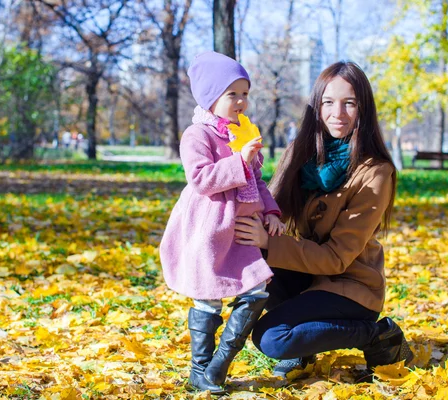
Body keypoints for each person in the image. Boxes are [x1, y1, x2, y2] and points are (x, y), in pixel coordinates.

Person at [234, 61, 414, 382]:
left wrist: (268, 242)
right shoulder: (298, 153)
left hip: (351, 287)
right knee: (252, 257)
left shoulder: (375, 172)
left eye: (350, 103)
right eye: (328, 102)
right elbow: (266, 212)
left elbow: (336, 258)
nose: (338, 113)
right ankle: (304, 346)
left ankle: (377, 335)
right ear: (316, 107)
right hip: (305, 276)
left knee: (272, 337)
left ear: (363, 109)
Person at [159, 51, 285, 393]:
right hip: (210, 228)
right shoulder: (197, 135)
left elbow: (257, 180)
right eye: (233, 94)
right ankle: (199, 371)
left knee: (257, 289)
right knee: (208, 297)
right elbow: (200, 179)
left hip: (242, 228)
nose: (241, 101)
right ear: (211, 97)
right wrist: (239, 161)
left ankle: (218, 366)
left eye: (245, 93)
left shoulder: (244, 132)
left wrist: (272, 211)